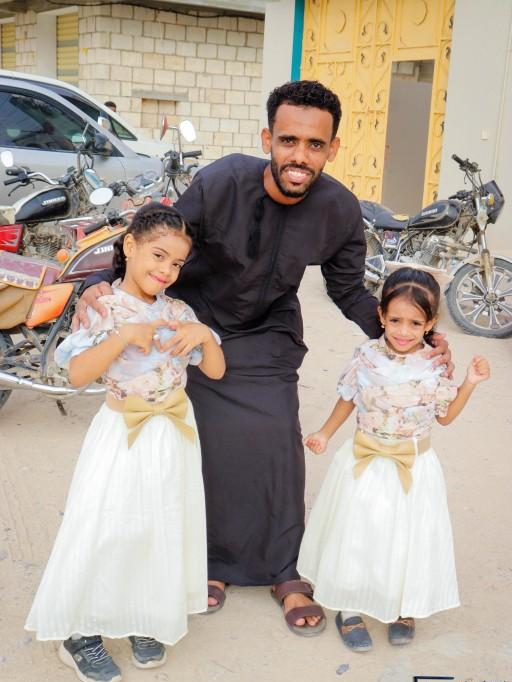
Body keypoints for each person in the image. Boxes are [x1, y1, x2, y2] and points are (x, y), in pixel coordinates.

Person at [73, 80, 451, 635]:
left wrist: (410, 338)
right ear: (267, 138)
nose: (300, 156)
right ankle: (214, 563)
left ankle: (282, 569)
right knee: (209, 444)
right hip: (196, 323)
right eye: (288, 140)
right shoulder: (222, 181)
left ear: (332, 149)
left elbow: (349, 290)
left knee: (276, 440)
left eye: (315, 145)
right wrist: (103, 285)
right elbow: (161, 239)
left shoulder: (339, 209)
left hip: (269, 331)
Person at [25, 203, 225, 682]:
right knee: (108, 527)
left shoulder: (178, 312)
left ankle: (143, 615)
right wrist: (121, 338)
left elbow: (215, 370)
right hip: (123, 434)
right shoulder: (103, 307)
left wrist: (204, 335)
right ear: (130, 246)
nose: (166, 270)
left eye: (176, 263)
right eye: (158, 256)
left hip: (174, 435)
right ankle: (80, 633)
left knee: (158, 525)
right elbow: (77, 374)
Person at [298, 267, 490, 651]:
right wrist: (324, 432)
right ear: (382, 315)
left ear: (430, 323)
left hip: (413, 465)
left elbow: (445, 417)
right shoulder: (366, 355)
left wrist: (469, 382)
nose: (404, 331)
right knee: (359, 532)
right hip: (364, 459)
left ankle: (403, 605)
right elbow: (349, 397)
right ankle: (350, 606)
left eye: (415, 323)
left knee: (406, 536)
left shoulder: (435, 365)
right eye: (396, 320)